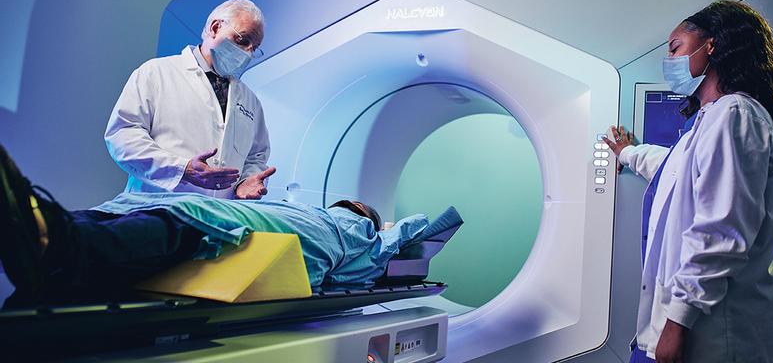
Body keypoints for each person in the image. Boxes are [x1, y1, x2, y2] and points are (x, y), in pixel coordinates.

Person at [0, 144, 455, 309]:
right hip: (251, 211)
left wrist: (385, 225)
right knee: (165, 211)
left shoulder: (361, 234)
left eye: (359, 206)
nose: (352, 204)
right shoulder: (306, 209)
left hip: (262, 228)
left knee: (192, 221)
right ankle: (40, 220)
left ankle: (53, 239)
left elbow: (413, 230)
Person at [604, 0, 773, 362]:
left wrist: (676, 324)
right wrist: (627, 152)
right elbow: (674, 169)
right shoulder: (711, 120)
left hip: (720, 330)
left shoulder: (735, 115)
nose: (670, 60)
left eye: (676, 47)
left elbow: (721, 232)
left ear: (712, 45)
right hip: (695, 322)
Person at [105, 0, 274, 200]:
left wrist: (247, 181)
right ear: (215, 27)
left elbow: (256, 156)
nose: (247, 52)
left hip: (219, 217)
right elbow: (123, 135)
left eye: (253, 48)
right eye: (243, 41)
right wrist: (182, 169)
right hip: (156, 209)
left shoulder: (250, 101)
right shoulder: (156, 73)